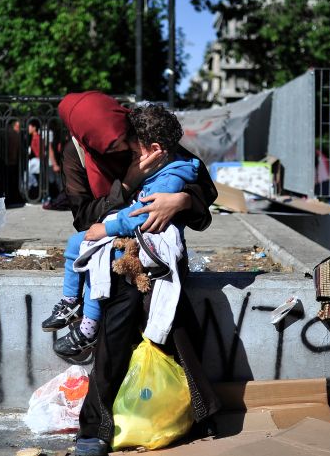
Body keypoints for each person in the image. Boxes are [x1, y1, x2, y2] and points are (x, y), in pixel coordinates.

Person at [56, 91, 221, 456]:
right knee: (120, 313)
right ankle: (95, 426)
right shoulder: (77, 155)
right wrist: (127, 182)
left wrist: (181, 200)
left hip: (157, 249)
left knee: (170, 314)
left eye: (122, 144)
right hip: (109, 254)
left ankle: (196, 410)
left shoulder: (145, 134)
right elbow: (85, 219)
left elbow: (204, 190)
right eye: (109, 147)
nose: (119, 150)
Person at [43, 104, 199, 360]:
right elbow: (88, 213)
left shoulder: (170, 176)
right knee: (76, 244)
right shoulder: (160, 163)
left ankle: (89, 328)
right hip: (133, 232)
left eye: (134, 149)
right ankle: (71, 302)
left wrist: (107, 228)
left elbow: (143, 213)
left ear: (156, 150)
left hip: (148, 241)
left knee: (100, 262)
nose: (127, 152)